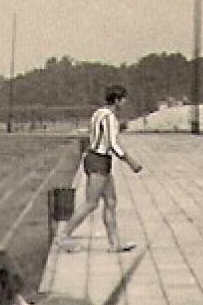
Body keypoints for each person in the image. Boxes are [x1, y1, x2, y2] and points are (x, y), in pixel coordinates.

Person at [61, 85, 143, 253]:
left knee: (111, 202)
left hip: (100, 160)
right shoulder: (109, 118)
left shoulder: (98, 113)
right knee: (91, 203)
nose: (125, 103)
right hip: (98, 160)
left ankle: (114, 243)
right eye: (123, 99)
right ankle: (63, 236)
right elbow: (112, 144)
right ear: (117, 100)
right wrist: (131, 161)